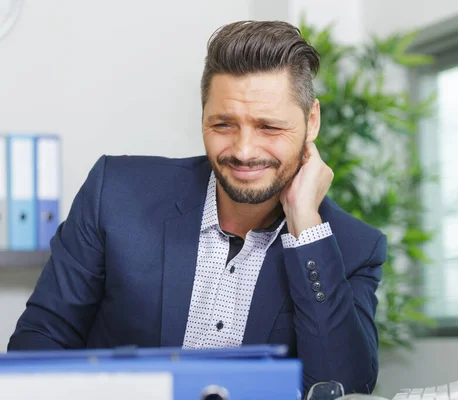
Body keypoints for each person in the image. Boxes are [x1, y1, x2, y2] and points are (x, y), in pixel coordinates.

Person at [8, 20, 387, 394]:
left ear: (312, 120)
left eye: (269, 128)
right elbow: (39, 344)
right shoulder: (115, 195)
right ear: (203, 114)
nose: (243, 150)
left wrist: (304, 224)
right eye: (223, 124)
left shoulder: (350, 247)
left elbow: (343, 387)